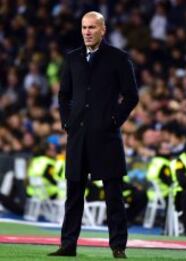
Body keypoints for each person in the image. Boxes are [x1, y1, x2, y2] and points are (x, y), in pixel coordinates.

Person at [49, 11, 138, 259]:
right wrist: (66, 122)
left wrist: (113, 121)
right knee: (73, 195)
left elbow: (132, 95)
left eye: (92, 28)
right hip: (78, 136)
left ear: (102, 30)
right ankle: (68, 246)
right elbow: (63, 95)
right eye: (84, 28)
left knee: (114, 196)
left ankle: (118, 247)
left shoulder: (118, 58)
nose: (87, 32)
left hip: (106, 136)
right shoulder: (72, 58)